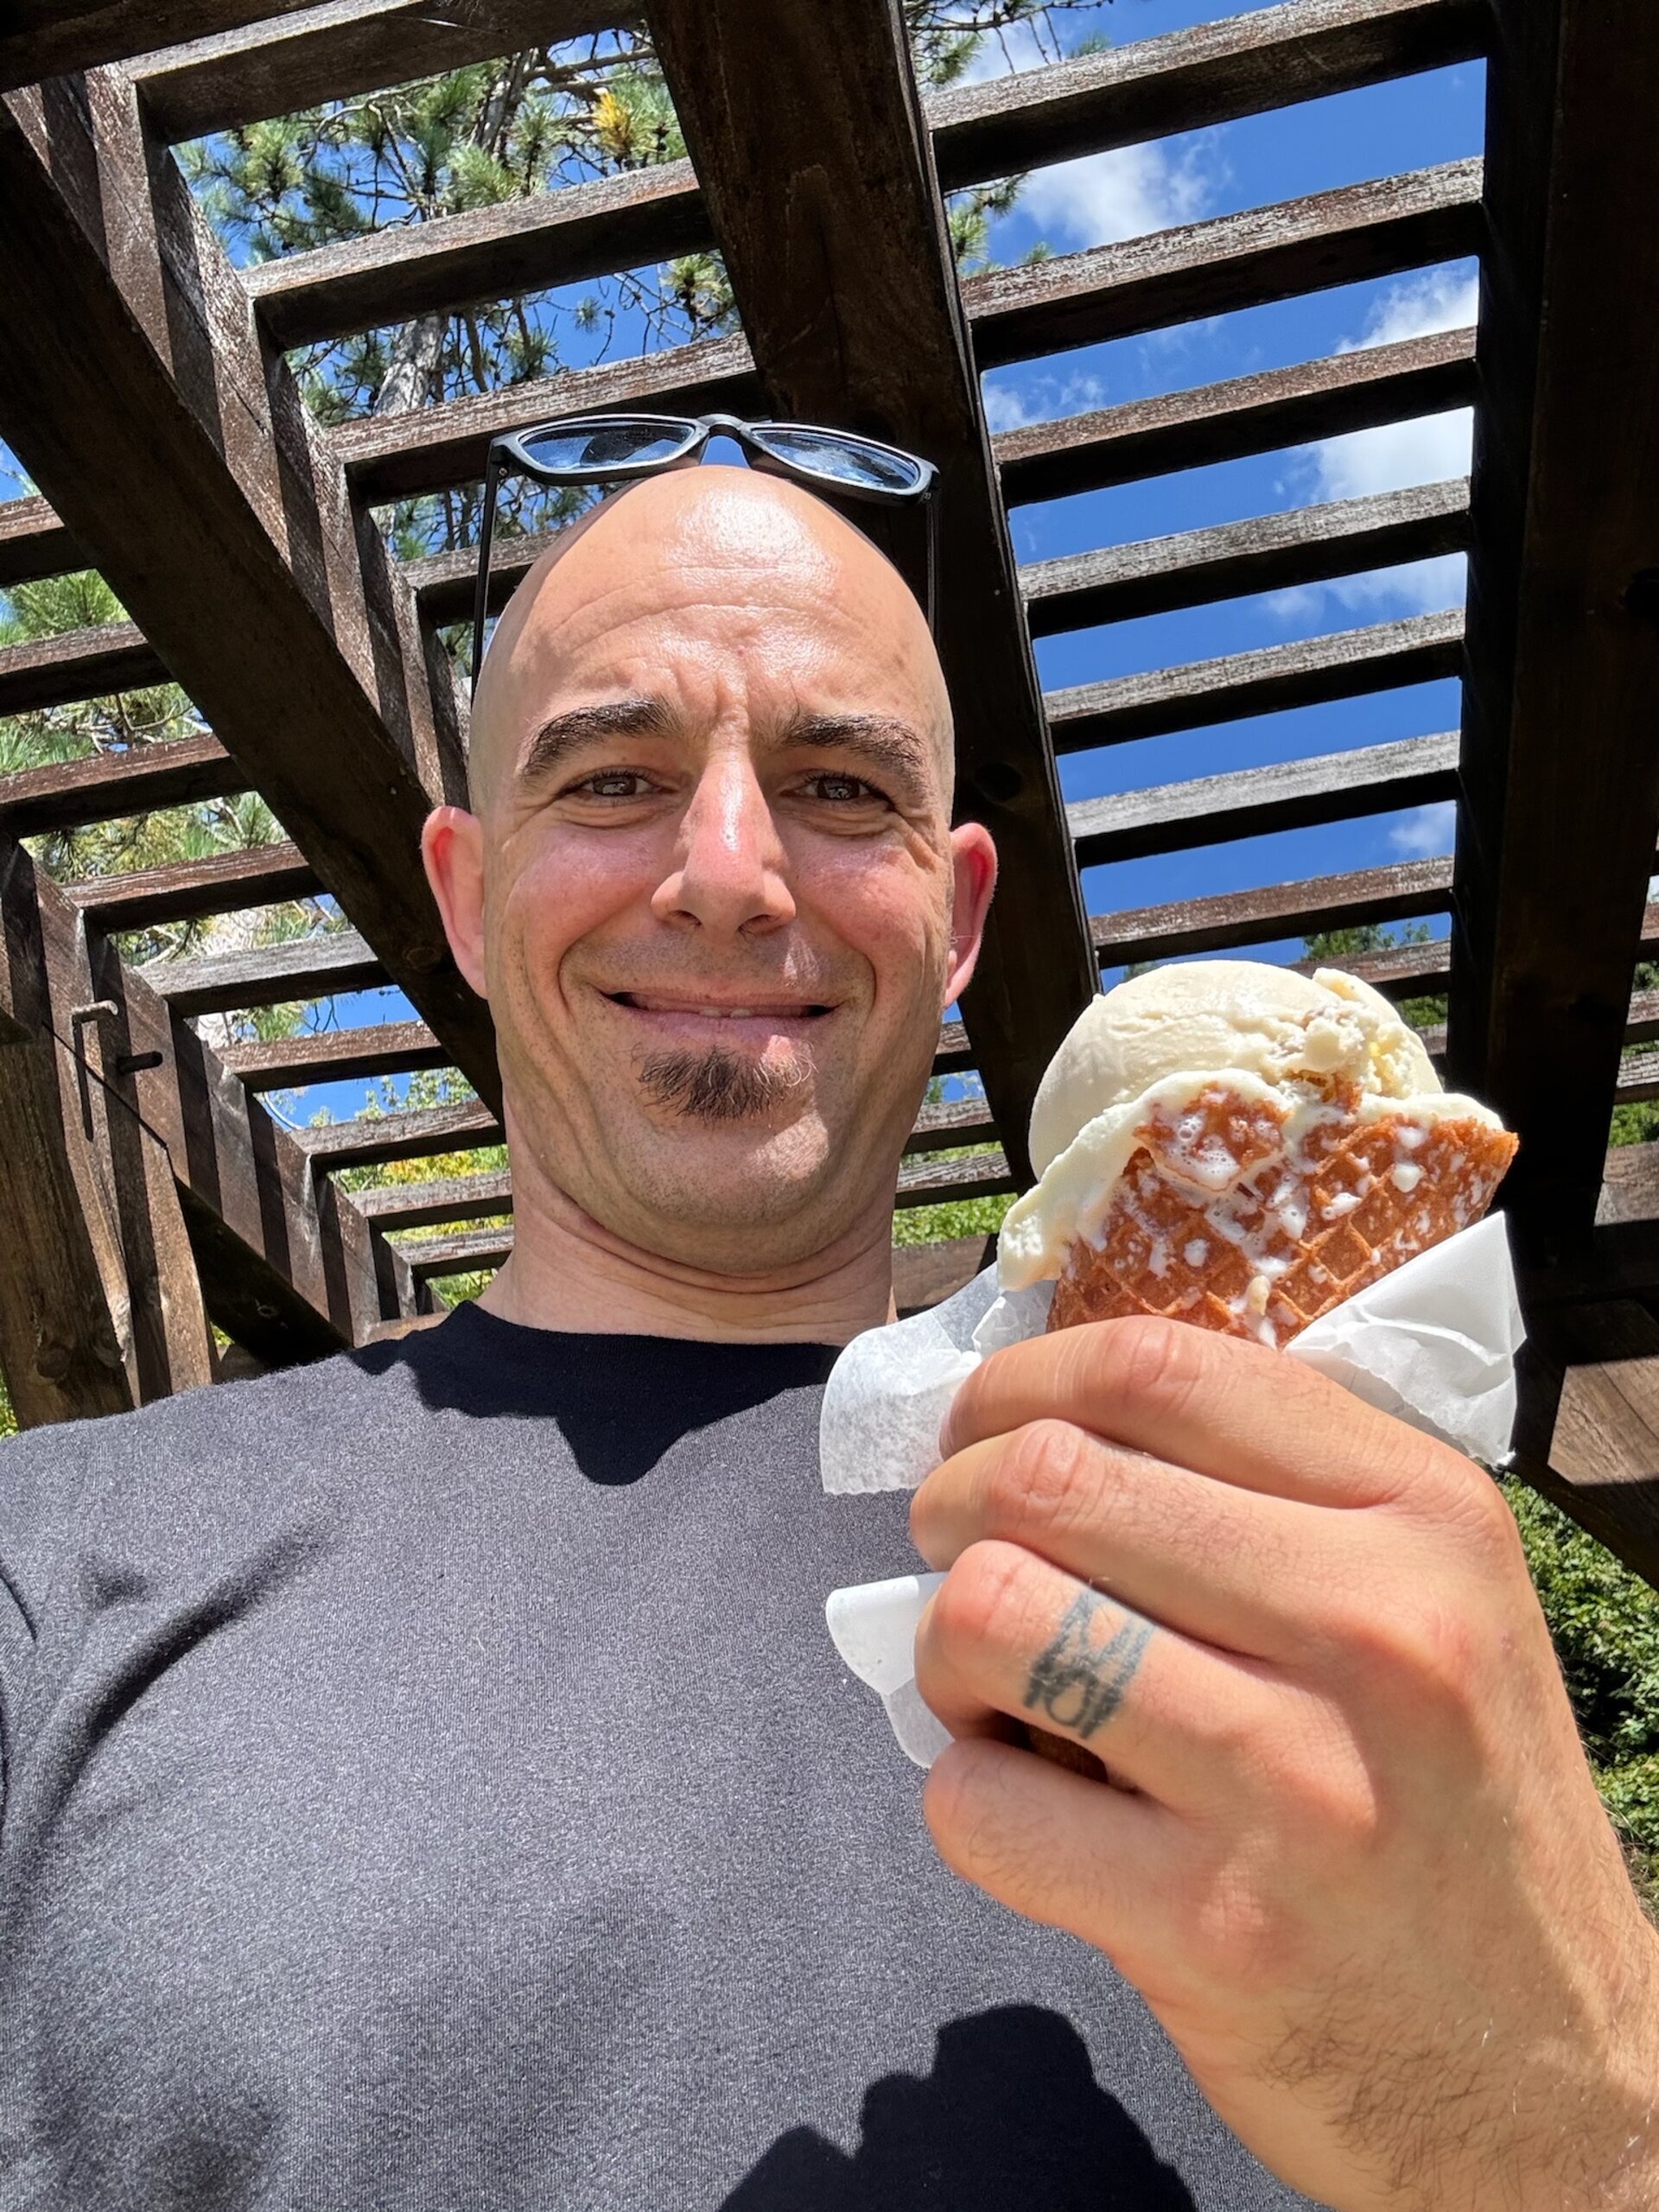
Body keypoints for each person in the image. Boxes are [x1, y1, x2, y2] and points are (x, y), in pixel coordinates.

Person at [0, 455, 1653, 2212]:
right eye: (617, 773)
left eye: (838, 784)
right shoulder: (54, 1563)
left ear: (957, 918)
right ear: (469, 891)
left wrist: (1596, 2117)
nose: (730, 874)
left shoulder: (1300, 1545)